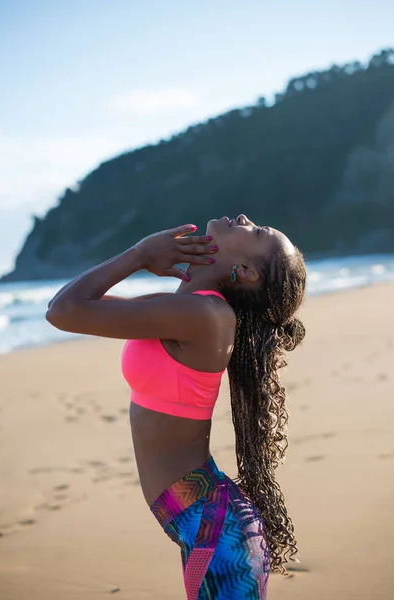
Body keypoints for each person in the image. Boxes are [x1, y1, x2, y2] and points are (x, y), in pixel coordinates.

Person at [46, 213, 307, 599]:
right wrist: (147, 259)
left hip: (214, 529)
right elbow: (78, 305)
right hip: (204, 521)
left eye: (257, 231)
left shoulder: (204, 316)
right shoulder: (188, 307)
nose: (245, 219)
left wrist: (139, 255)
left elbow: (63, 310)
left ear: (246, 270)